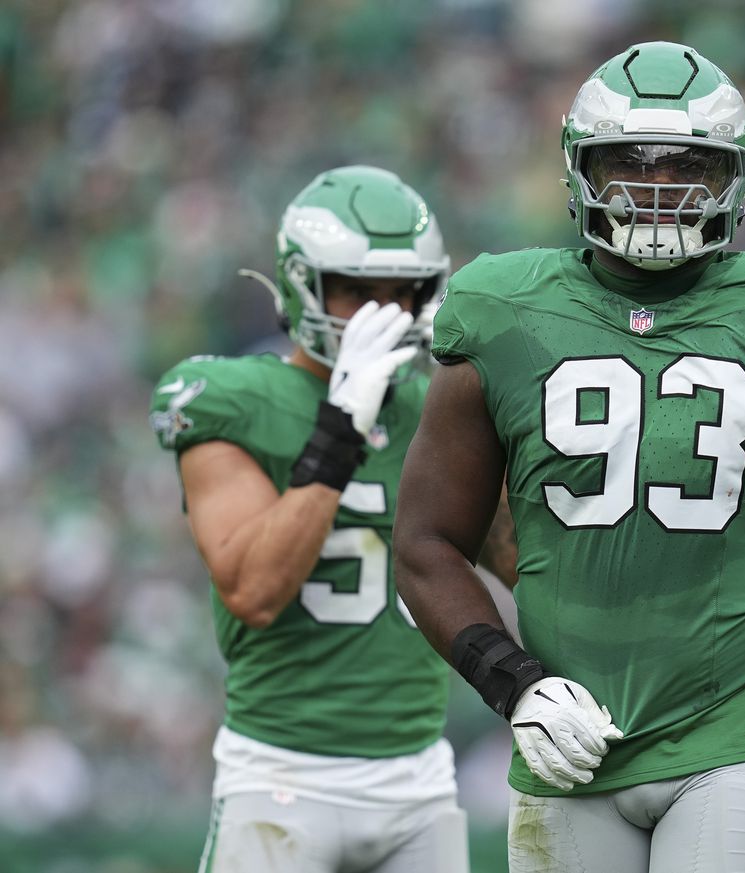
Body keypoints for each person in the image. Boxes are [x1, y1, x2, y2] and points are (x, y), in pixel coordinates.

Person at [393, 41, 745, 872]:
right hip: (570, 740)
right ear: (577, 169)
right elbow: (424, 542)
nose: (657, 189)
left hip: (739, 734)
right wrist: (513, 681)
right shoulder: (501, 311)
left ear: (736, 176)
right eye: (627, 162)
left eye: (687, 166)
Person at [150, 165, 514, 873]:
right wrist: (341, 424)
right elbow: (254, 588)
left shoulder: (433, 403)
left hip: (418, 781)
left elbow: (527, 561)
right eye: (356, 291)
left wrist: (497, 386)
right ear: (302, 285)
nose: (383, 313)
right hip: (282, 778)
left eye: (401, 292)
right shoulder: (234, 397)